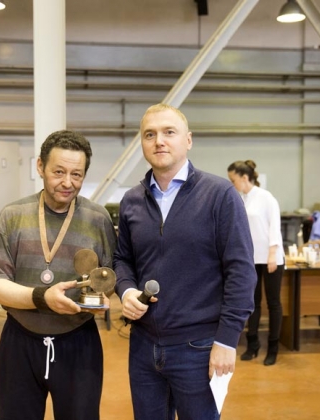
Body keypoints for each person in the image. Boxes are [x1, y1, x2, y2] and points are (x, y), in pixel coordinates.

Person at [114, 104, 257, 420]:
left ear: (188, 140)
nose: (159, 141)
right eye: (149, 134)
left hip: (199, 347)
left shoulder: (220, 195)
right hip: (143, 346)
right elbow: (122, 259)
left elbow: (241, 271)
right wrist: (126, 291)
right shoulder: (132, 200)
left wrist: (227, 341)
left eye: (169, 132)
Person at [0, 130, 118, 420]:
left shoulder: (98, 219)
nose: (67, 182)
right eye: (58, 172)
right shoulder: (13, 216)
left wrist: (104, 296)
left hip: (79, 343)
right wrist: (42, 297)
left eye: (76, 174)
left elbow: (107, 279)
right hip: (20, 343)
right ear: (40, 166)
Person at [227, 160, 284, 366]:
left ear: (244, 178)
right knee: (252, 303)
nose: (231, 184)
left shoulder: (266, 197)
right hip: (250, 259)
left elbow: (275, 227)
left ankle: (273, 348)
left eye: (233, 180)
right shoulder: (241, 199)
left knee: (273, 303)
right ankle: (253, 345)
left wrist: (272, 254)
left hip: (271, 258)